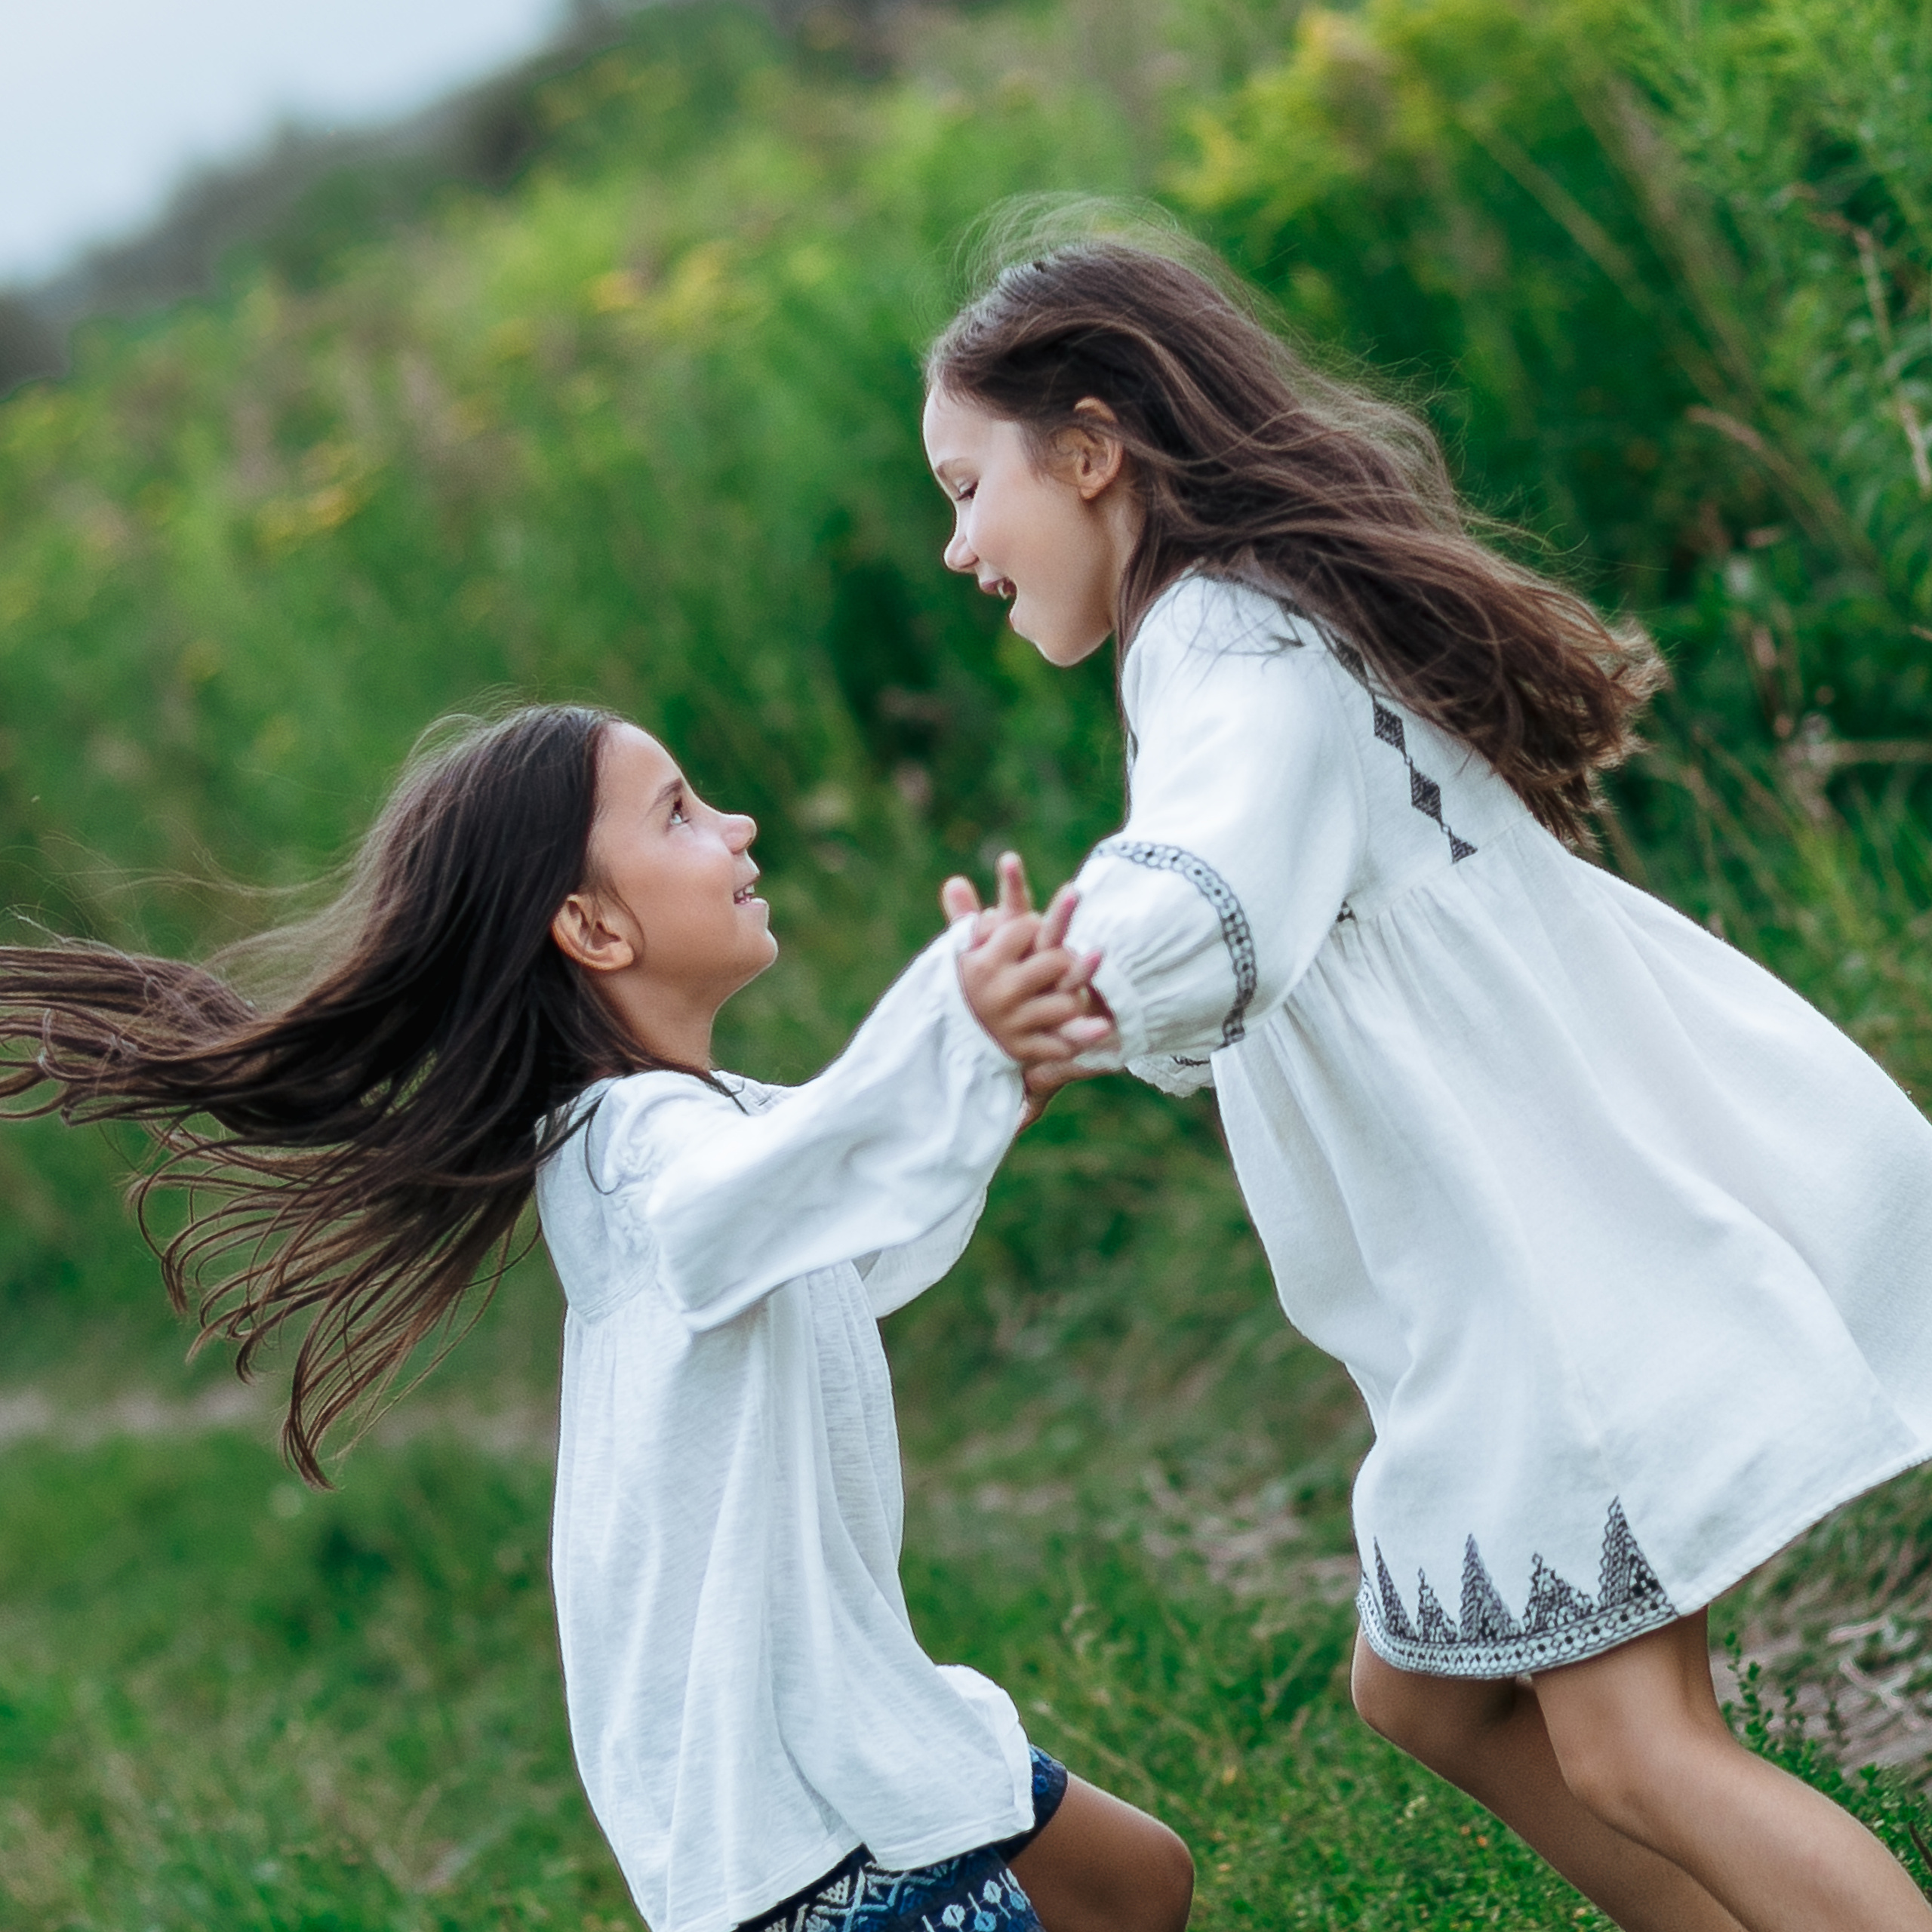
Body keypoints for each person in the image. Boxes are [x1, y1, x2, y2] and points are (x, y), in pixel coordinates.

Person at [921, 226, 1932, 1932]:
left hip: (1546, 1277)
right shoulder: (1230, 628)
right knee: (1428, 1693)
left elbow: (1203, 865)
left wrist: (1068, 969)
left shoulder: (1229, 655)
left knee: (1629, 1746)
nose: (957, 544)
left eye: (966, 486)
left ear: (1089, 450)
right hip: (1519, 1261)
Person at [0, 705, 1195, 1932]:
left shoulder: (699, 1113)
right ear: (592, 928)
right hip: (789, 1804)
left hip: (846, 1721)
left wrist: (998, 1074)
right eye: (679, 813)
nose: (737, 826)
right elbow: (765, 1194)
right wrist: (950, 1027)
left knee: (1133, 1884)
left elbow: (844, 1211)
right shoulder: (636, 1150)